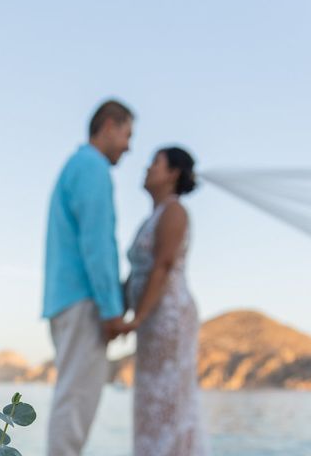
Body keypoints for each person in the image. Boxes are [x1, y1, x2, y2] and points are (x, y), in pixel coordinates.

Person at [43, 100, 134, 456]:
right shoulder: (92, 167)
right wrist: (112, 310)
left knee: (71, 398)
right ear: (109, 125)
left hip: (65, 299)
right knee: (76, 403)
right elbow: (97, 242)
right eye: (128, 134)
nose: (128, 146)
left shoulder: (75, 166)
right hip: (84, 301)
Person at [119, 147, 209, 456]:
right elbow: (137, 272)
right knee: (151, 398)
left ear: (172, 173)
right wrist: (117, 311)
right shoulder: (151, 218)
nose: (146, 169)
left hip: (168, 318)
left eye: (154, 163)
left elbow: (164, 264)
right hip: (151, 319)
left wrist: (137, 318)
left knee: (170, 399)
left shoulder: (174, 211)